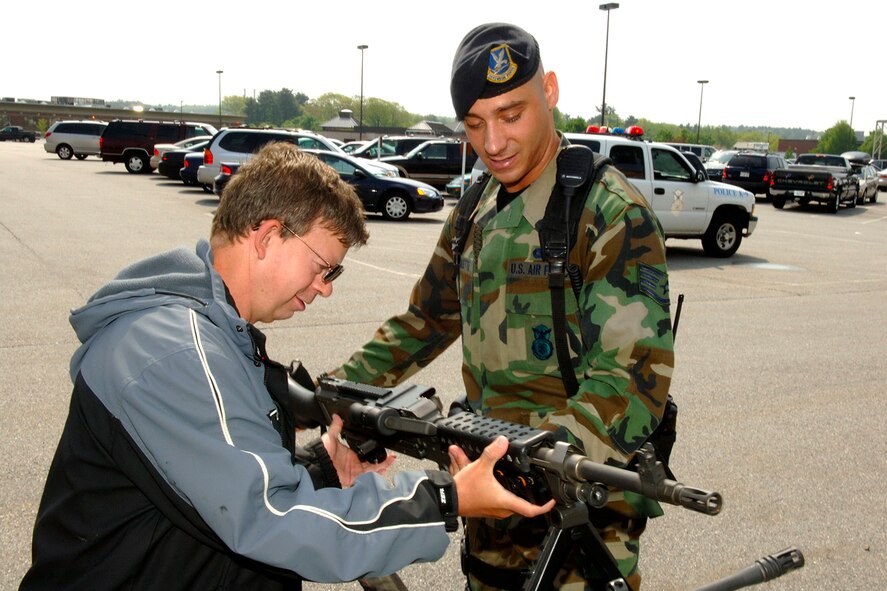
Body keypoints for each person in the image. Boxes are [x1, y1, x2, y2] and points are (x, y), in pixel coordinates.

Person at [20, 142, 554, 591]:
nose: (324, 289)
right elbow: (264, 519)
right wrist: (447, 499)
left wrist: (320, 470)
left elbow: (213, 476)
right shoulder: (175, 351)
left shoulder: (211, 331)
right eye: (323, 267)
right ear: (267, 235)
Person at [329, 23, 674, 590]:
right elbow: (424, 320)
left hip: (578, 514)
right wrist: (342, 392)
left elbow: (631, 383)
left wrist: (528, 460)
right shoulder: (473, 207)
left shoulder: (608, 213)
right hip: (491, 508)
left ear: (552, 92)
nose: (492, 143)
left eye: (511, 115)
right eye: (474, 125)